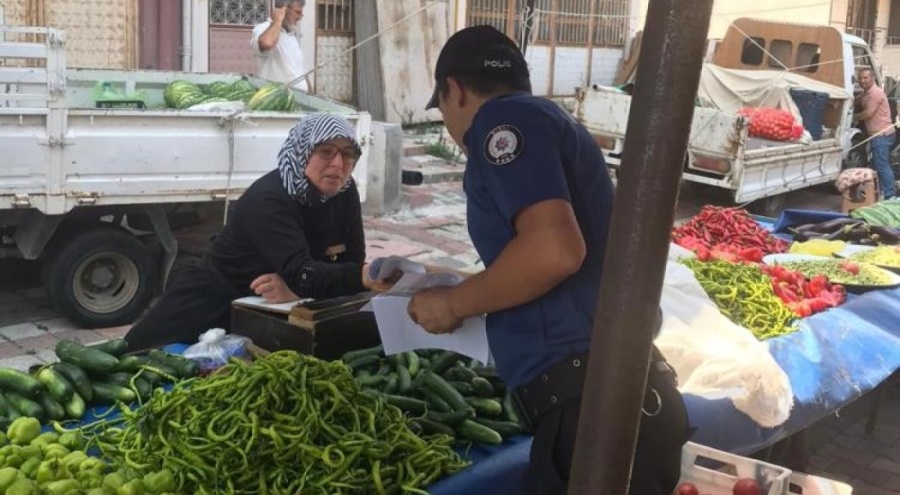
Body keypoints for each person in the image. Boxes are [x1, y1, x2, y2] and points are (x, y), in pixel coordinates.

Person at [402, 26, 690, 495]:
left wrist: (455, 304)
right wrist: (459, 284)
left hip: (592, 412)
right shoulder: (548, 120)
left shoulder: (501, 124)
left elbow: (554, 251)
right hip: (622, 397)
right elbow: (543, 255)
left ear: (452, 89)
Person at [124, 113, 388, 351]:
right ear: (302, 151)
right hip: (210, 301)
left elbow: (347, 260)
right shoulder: (269, 199)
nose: (338, 164)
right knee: (138, 358)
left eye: (348, 154)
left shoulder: (343, 191)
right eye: (326, 152)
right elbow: (304, 271)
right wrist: (349, 277)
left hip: (267, 312)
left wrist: (298, 289)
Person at [251, 0, 311, 92]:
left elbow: (300, 70)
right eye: (297, 12)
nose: (300, 18)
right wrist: (278, 18)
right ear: (284, 10)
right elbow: (267, 43)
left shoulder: (291, 36)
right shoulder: (262, 29)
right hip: (275, 100)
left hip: (298, 100)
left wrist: (310, 93)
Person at [854, 67, 896, 199]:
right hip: (878, 135)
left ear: (872, 78)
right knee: (876, 164)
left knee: (881, 164)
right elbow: (858, 99)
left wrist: (851, 117)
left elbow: (867, 114)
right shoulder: (865, 93)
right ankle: (882, 191)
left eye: (865, 78)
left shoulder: (875, 94)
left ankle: (890, 194)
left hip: (882, 134)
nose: (862, 81)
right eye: (860, 78)